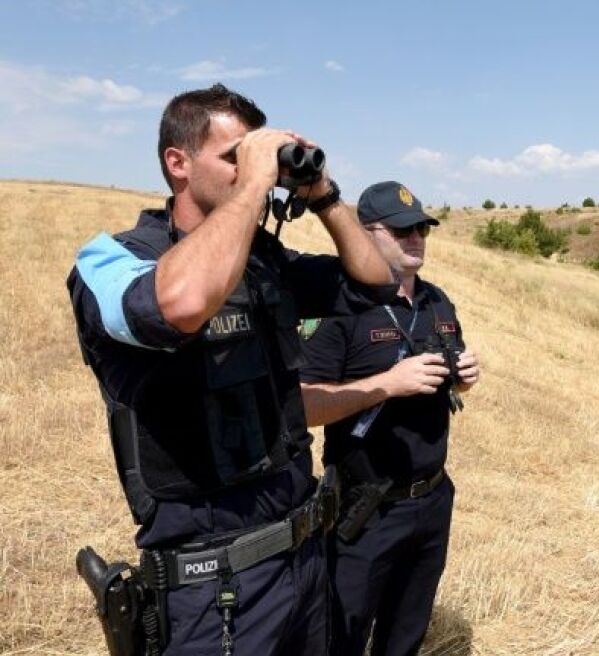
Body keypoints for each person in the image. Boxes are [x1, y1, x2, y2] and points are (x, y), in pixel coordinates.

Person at [67, 83, 391, 655]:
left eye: (254, 156)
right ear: (178, 163)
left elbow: (374, 282)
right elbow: (182, 305)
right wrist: (255, 185)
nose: (249, 171)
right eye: (232, 157)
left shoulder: (266, 261)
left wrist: (323, 194)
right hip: (214, 588)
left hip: (305, 556)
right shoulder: (113, 258)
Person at [298, 181, 480, 656]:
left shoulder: (437, 303)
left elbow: (448, 379)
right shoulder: (338, 308)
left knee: (406, 633)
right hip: (365, 508)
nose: (415, 237)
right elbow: (302, 407)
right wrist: (388, 383)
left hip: (432, 496)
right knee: (342, 633)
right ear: (366, 234)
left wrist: (463, 378)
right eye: (401, 230)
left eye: (421, 227)